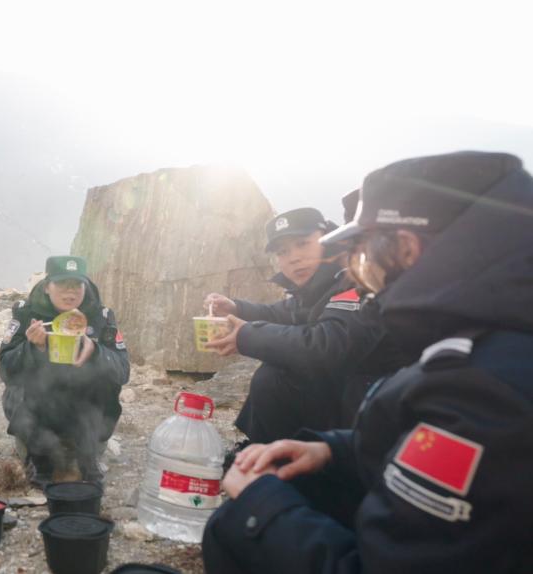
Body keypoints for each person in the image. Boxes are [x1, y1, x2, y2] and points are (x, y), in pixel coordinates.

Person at [204, 151, 533, 573]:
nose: (357, 274)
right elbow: (423, 440)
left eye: (360, 256)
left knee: (233, 522)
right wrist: (334, 450)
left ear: (408, 249)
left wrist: (261, 505)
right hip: (352, 436)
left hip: (350, 402)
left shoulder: (485, 390)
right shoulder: (486, 336)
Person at [203, 207, 407, 443]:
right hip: (346, 393)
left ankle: (288, 455)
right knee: (274, 375)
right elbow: (281, 313)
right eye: (283, 252)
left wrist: (247, 336)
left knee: (275, 378)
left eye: (302, 244)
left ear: (328, 239)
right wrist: (237, 309)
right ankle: (268, 451)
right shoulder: (318, 286)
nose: (294, 258)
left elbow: (327, 344)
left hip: (377, 402)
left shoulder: (355, 279)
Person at [0, 256, 131, 487]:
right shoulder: (26, 314)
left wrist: (97, 352)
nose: (70, 292)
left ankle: (88, 456)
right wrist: (32, 348)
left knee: (104, 379)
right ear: (47, 286)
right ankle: (38, 458)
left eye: (77, 285)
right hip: (35, 413)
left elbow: (123, 372)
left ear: (85, 286)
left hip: (84, 413)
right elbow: (5, 370)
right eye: (62, 284)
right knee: (39, 379)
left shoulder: (100, 317)